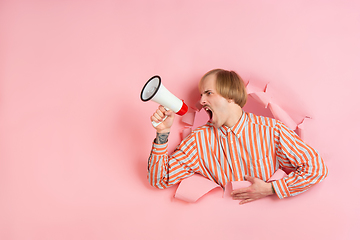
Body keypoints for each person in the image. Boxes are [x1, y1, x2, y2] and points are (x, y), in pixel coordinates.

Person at [147, 69, 328, 204]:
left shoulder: (271, 130)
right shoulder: (198, 142)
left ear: (231, 96)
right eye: (202, 95)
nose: (201, 101)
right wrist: (162, 134)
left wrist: (271, 189)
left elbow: (316, 168)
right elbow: (160, 180)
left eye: (208, 93)